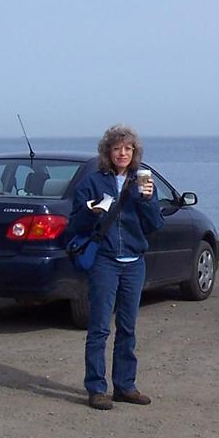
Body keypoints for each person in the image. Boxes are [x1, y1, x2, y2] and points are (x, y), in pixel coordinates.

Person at [69, 125, 164, 410]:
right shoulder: (92, 182)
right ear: (107, 152)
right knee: (99, 327)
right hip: (105, 262)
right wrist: (90, 212)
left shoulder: (143, 182)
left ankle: (125, 386)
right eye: (117, 148)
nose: (122, 153)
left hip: (134, 261)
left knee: (127, 327)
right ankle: (97, 388)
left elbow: (154, 225)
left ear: (134, 153)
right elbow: (75, 224)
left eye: (128, 148)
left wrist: (147, 200)